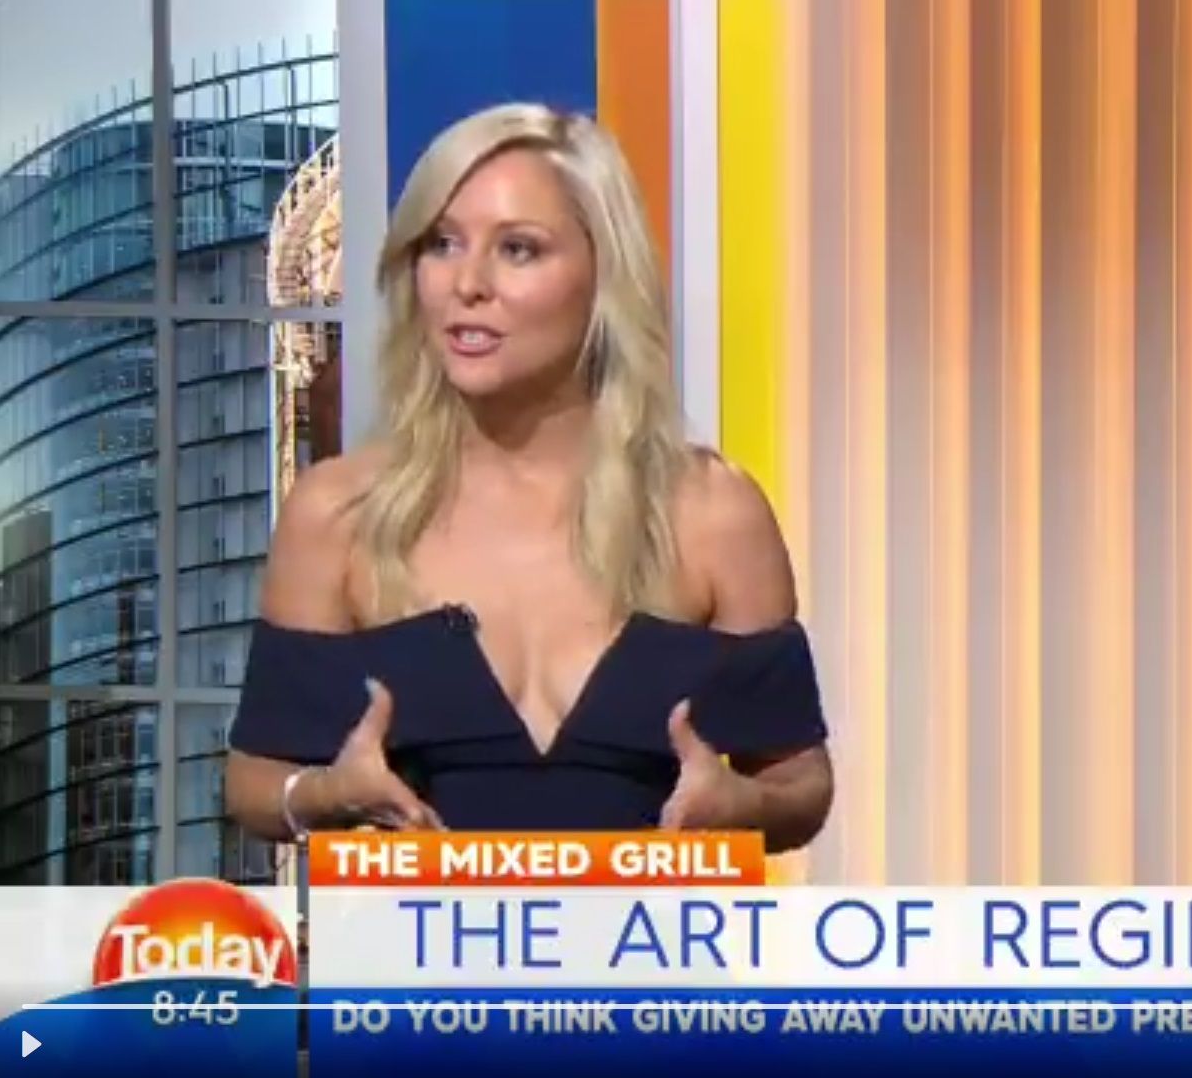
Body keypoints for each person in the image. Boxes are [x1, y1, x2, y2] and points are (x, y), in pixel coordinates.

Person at [225, 103, 833, 850]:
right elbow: (254, 781)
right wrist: (322, 794)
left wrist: (741, 804)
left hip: (646, 929)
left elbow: (801, 785)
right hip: (410, 930)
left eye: (518, 249)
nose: (467, 283)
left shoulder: (711, 514)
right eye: (442, 244)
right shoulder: (340, 513)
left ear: (604, 276)